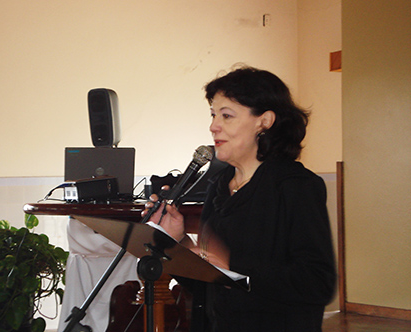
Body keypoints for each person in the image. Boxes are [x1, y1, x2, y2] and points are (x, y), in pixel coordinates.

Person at [143, 66, 337, 332]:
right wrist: (177, 241)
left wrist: (233, 265)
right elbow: (206, 285)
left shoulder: (296, 186)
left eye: (226, 115)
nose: (213, 126)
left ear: (264, 121)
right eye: (213, 115)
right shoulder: (219, 186)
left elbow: (317, 283)